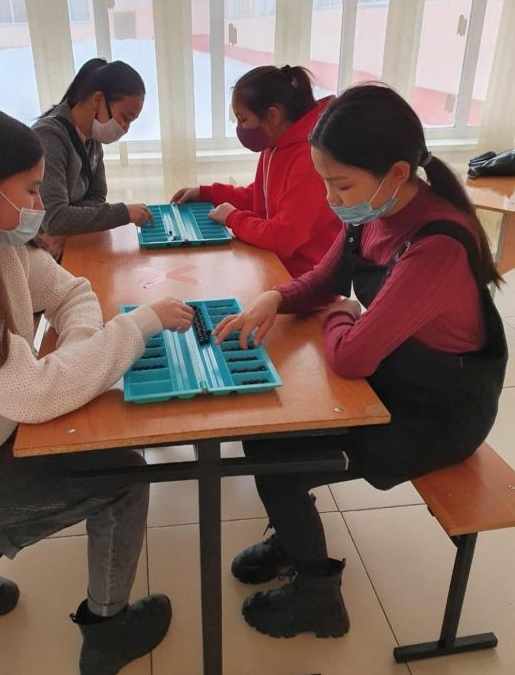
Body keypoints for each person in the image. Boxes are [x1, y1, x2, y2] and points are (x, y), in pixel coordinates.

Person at [212, 84, 507, 640]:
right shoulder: (373, 209)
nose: (331, 198)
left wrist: (342, 314)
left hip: (437, 415)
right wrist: (273, 298)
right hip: (399, 377)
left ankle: (317, 596)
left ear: (397, 173)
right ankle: (293, 539)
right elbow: (326, 279)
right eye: (325, 181)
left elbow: (350, 355)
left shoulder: (436, 244)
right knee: (268, 436)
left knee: (279, 461)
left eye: (340, 184)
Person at [0, 105, 194, 674]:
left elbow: (72, 293)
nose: (40, 206)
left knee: (100, 461)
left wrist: (79, 354)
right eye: (30, 190)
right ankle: (108, 629)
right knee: (122, 479)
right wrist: (137, 326)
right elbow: (37, 395)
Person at [171, 65, 342, 277]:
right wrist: (207, 193)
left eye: (243, 119)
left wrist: (233, 218)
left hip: (306, 279)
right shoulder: (275, 144)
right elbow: (260, 197)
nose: (240, 128)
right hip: (274, 265)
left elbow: (284, 237)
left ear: (272, 115)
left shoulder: (310, 157)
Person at [32, 58, 154, 260]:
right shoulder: (49, 137)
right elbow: (54, 218)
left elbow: (98, 196)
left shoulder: (92, 137)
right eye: (125, 117)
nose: (125, 128)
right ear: (98, 101)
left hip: (68, 246)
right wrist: (124, 213)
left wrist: (68, 225)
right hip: (44, 254)